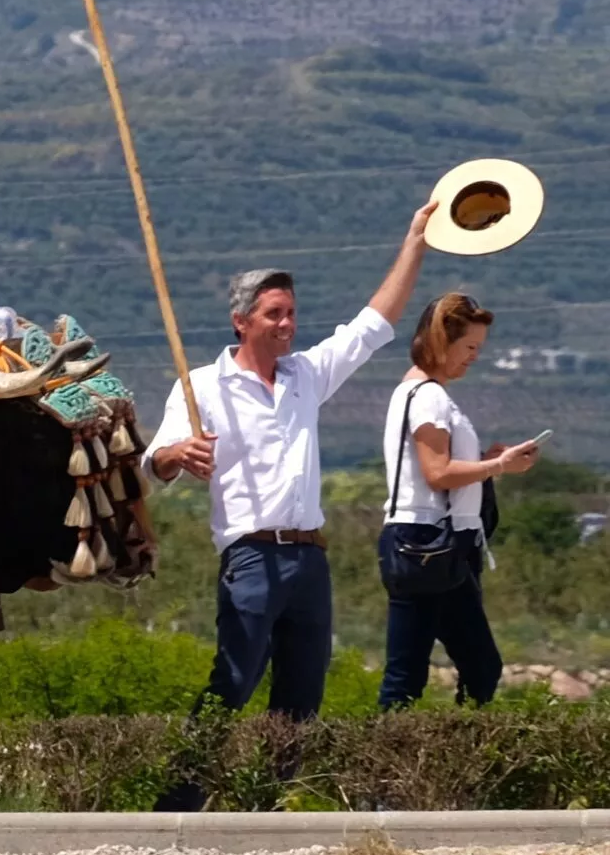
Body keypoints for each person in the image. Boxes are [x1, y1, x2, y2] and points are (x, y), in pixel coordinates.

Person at [146, 200, 438, 718]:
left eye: (291, 312)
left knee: (302, 698)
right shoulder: (203, 388)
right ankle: (180, 799)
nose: (287, 323)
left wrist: (415, 240)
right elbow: (153, 465)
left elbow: (372, 325)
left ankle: (271, 798)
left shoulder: (306, 376)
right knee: (233, 680)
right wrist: (179, 453)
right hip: (251, 556)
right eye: (273, 313)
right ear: (241, 322)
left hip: (309, 559)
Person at [378, 293, 540, 709]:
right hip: (428, 542)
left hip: (431, 543)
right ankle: (439, 758)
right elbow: (438, 473)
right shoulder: (428, 396)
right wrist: (498, 466)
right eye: (469, 348)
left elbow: (437, 469)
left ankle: (431, 757)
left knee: (432, 669)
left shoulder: (419, 393)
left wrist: (485, 462)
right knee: (451, 668)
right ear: (440, 342)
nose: (473, 358)